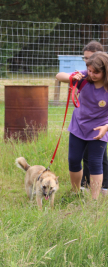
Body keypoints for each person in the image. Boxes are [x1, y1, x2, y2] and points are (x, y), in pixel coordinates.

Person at [56, 52, 108, 199]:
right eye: (89, 70)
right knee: (73, 159)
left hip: (100, 128)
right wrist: (71, 77)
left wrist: (106, 127)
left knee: (94, 162)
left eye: (96, 72)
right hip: (78, 125)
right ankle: (76, 192)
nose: (91, 74)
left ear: (105, 71)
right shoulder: (84, 77)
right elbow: (59, 75)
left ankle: (94, 200)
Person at [80, 41, 108, 195]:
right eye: (85, 58)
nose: (86, 62)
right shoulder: (88, 75)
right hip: (89, 123)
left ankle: (103, 186)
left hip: (102, 124)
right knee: (89, 155)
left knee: (99, 157)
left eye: (89, 58)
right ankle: (86, 183)